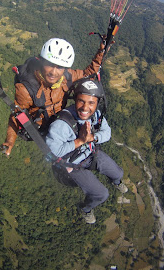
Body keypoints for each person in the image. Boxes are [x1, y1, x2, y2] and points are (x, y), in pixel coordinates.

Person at [4, 37, 106, 155]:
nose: (53, 72)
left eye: (59, 67)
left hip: (61, 120)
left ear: (65, 68)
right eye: (50, 64)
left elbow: (88, 73)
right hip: (43, 128)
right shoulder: (27, 89)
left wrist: (101, 51)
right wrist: (10, 141)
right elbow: (16, 115)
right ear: (41, 61)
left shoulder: (67, 77)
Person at [45, 78, 128, 224]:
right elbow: (54, 151)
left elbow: (107, 133)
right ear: (75, 100)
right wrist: (79, 141)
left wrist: (93, 137)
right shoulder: (61, 124)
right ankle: (85, 209)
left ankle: (115, 181)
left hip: (90, 154)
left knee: (118, 173)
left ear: (97, 104)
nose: (85, 108)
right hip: (71, 165)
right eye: (81, 101)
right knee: (101, 194)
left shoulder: (96, 115)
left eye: (91, 103)